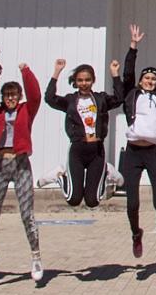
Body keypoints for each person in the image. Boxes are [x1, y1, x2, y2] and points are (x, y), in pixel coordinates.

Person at [116, 24, 156, 257]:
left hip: (154, 152)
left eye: (154, 78)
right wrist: (133, 46)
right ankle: (136, 233)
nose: (150, 81)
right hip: (133, 152)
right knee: (132, 202)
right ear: (141, 80)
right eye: (147, 78)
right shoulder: (131, 95)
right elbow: (127, 74)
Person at [0, 62, 44, 281]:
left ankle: (35, 255)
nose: (10, 98)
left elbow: (35, 95)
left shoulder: (26, 110)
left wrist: (26, 71)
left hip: (21, 163)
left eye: (14, 94)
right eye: (7, 95)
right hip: (0, 164)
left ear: (19, 96)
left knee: (27, 214)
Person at [44, 54, 125, 208]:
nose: (84, 83)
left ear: (93, 80)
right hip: (77, 150)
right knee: (74, 200)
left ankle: (106, 171)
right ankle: (60, 176)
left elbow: (119, 98)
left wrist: (115, 74)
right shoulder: (70, 100)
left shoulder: (100, 99)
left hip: (96, 151)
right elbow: (50, 99)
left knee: (92, 201)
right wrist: (56, 72)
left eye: (87, 80)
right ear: (75, 82)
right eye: (80, 80)